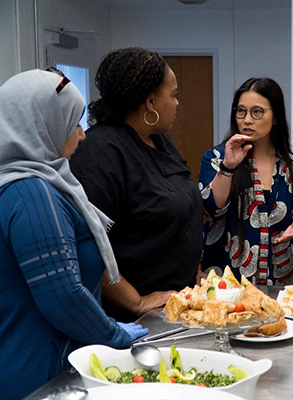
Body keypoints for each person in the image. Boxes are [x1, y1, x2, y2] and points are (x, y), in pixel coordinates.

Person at [0, 69, 148, 400]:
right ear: (43, 124)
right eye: (74, 123)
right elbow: (62, 296)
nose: (82, 135)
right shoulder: (31, 193)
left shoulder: (27, 184)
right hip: (39, 378)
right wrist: (113, 334)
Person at [70, 48, 203, 322]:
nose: (178, 103)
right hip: (133, 320)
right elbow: (86, 247)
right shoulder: (100, 155)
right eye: (174, 95)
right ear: (151, 101)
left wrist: (194, 271)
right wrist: (137, 301)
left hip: (176, 306)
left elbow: (179, 209)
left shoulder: (157, 138)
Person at [199, 77, 293, 285]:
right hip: (226, 284)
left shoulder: (291, 167)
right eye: (241, 111)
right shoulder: (216, 158)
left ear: (275, 117)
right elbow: (210, 209)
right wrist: (228, 168)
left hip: (278, 284)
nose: (247, 120)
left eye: (257, 112)